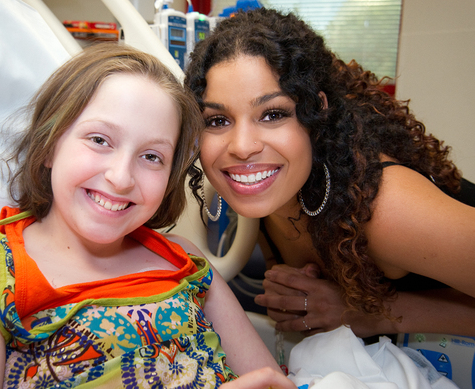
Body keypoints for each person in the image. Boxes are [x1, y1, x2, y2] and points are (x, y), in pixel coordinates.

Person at [0, 43, 296, 389]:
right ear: (49, 145)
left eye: (152, 157)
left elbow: (267, 381)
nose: (120, 178)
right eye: (99, 140)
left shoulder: (184, 262)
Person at [184, 8, 475, 339]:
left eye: (273, 114)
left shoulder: (384, 211)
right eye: (218, 120)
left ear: (316, 111)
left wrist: (374, 314)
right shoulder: (271, 200)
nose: (242, 146)